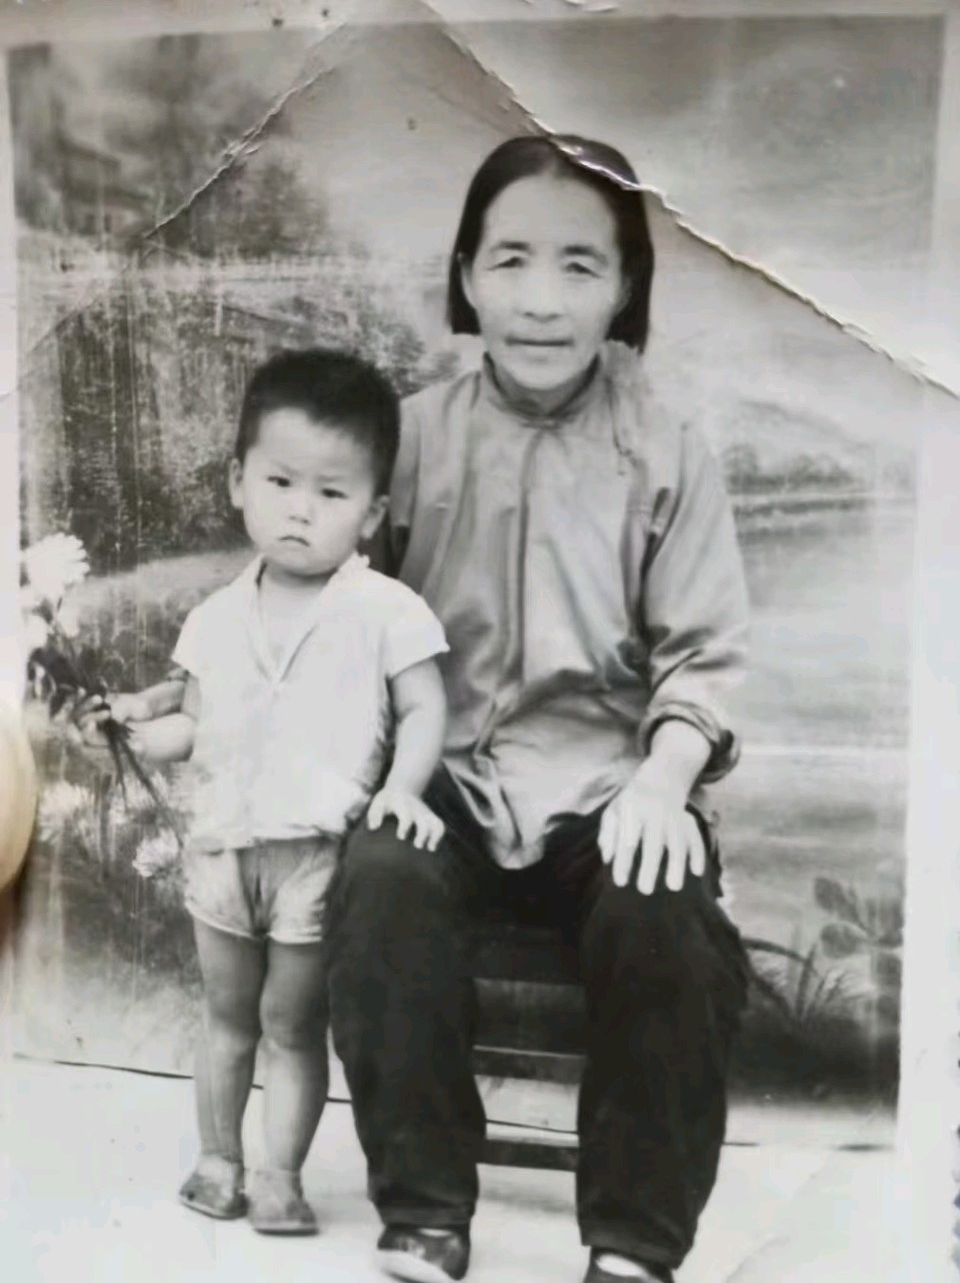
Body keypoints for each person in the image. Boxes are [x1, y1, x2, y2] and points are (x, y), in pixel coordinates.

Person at [326, 135, 752, 1283]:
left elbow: (705, 655)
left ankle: (634, 1242)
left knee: (667, 909)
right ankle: (425, 1208)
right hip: (444, 772)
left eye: (580, 264)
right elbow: (340, 612)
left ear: (625, 286)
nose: (542, 300)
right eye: (510, 259)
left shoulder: (666, 451)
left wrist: (665, 780)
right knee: (379, 875)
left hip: (608, 785)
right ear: (467, 275)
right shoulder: (408, 438)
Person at [81, 349, 449, 1237]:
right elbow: (191, 725)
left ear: (373, 512)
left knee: (291, 1022)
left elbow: (425, 706)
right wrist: (139, 734)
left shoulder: (385, 610)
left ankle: (280, 1177)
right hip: (223, 845)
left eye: (332, 492)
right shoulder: (213, 618)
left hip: (313, 855)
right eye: (281, 482)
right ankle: (219, 1162)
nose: (300, 510)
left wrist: (405, 787)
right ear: (238, 481)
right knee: (225, 1015)